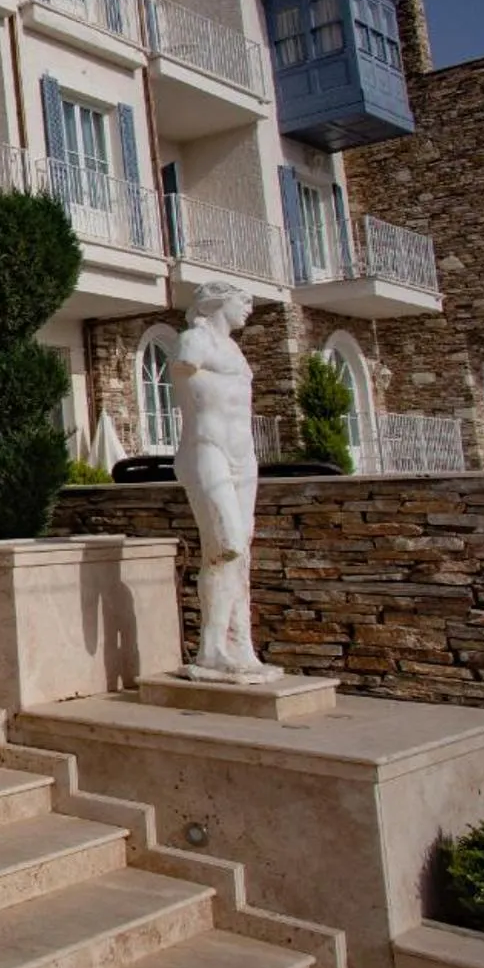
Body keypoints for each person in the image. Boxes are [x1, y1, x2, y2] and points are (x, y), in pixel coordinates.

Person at [171, 279, 278, 681]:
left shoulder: (234, 349)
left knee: (241, 552)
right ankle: (211, 648)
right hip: (206, 448)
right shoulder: (193, 342)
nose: (248, 308)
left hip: (242, 455)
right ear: (217, 303)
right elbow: (185, 378)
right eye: (242, 301)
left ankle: (238, 645)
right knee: (226, 545)